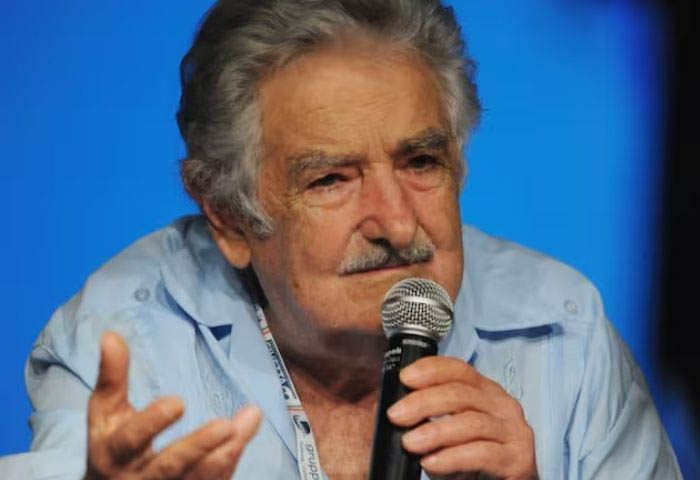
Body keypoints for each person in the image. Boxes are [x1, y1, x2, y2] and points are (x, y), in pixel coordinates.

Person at [0, 0, 682, 478]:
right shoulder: (125, 344)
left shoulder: (565, 332)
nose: (398, 224)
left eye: (421, 162)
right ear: (228, 217)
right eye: (331, 179)